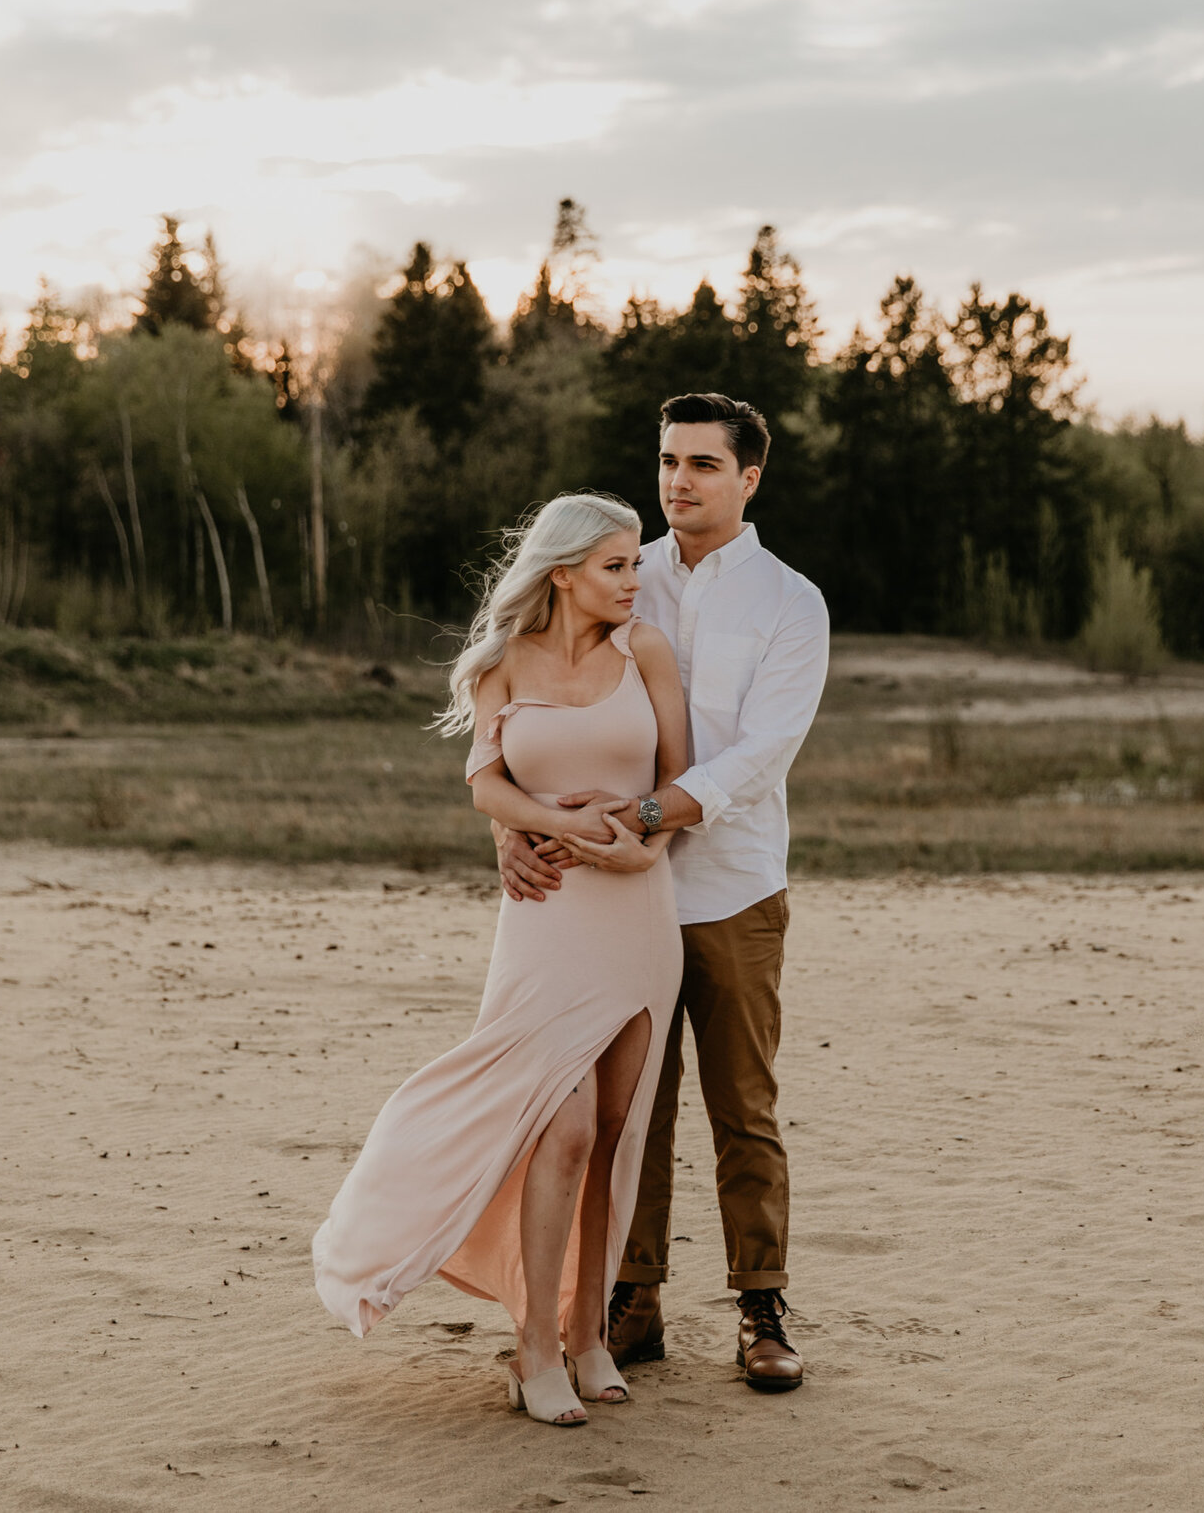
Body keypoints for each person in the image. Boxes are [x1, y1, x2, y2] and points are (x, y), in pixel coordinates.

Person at [311, 493, 689, 1427]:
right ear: (562, 573)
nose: (634, 581)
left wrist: (641, 847)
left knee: (613, 1131)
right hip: (547, 914)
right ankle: (531, 1346)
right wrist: (545, 823)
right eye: (615, 566)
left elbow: (681, 781)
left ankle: (588, 1334)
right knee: (554, 1127)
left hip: (637, 910)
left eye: (635, 563)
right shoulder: (500, 664)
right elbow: (485, 779)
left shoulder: (645, 653)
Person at [500, 393, 830, 1393]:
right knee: (624, 1109)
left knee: (743, 1103)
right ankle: (629, 1300)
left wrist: (647, 816)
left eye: (702, 464)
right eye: (668, 461)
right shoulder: (616, 577)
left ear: (748, 478)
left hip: (729, 889)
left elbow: (763, 752)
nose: (679, 480)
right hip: (608, 904)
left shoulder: (787, 601)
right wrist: (517, 825)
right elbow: (537, 712)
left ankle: (760, 1303)